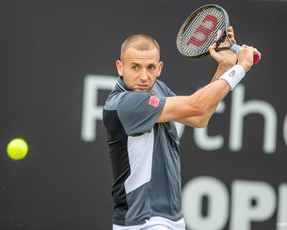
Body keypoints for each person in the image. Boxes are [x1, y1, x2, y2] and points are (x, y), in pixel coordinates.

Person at [102, 27, 260, 230]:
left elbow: (200, 118)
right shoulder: (124, 104)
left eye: (150, 68)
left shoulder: (156, 88)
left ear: (159, 68)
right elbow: (197, 105)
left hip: (171, 219)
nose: (143, 76)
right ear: (120, 67)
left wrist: (227, 65)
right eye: (135, 67)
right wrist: (241, 67)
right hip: (143, 222)